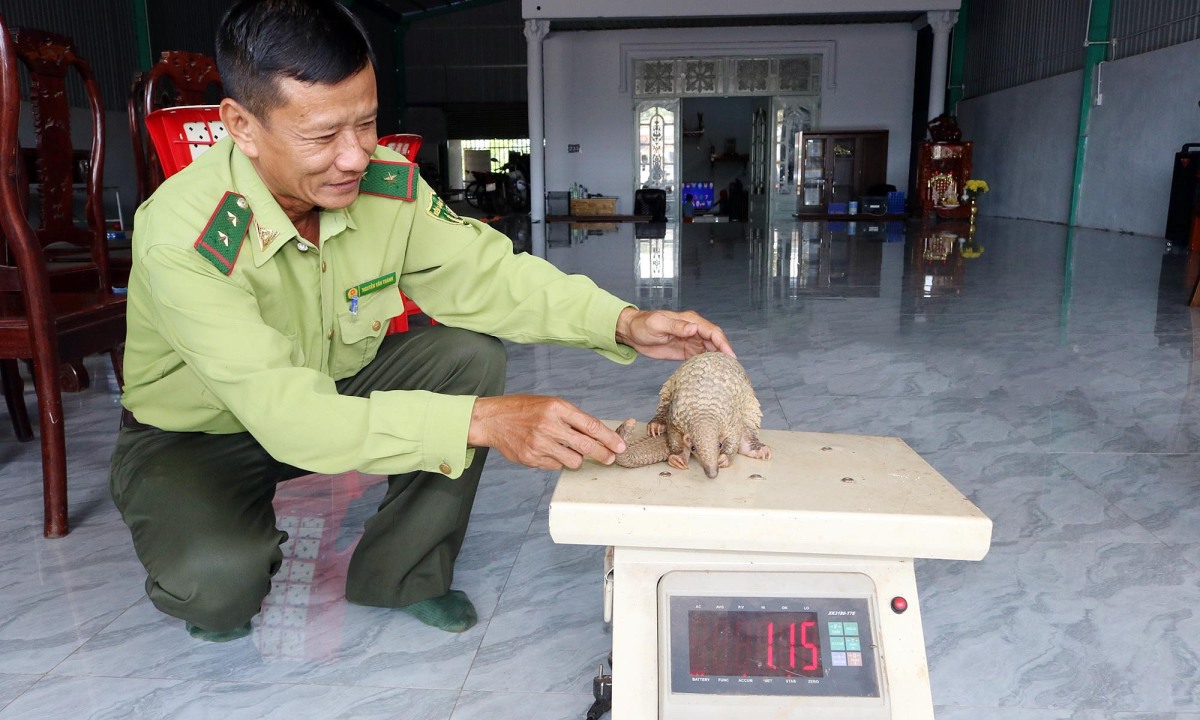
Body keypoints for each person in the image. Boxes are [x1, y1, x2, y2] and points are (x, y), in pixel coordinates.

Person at [109, 0, 735, 643]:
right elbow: (289, 417)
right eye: (323, 136)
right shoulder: (185, 234)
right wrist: (486, 421)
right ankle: (216, 556)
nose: (354, 157)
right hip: (199, 433)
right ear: (240, 125)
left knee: (468, 357)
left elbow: (491, 276)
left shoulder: (384, 186)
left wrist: (623, 321)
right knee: (217, 587)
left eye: (367, 124)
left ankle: (401, 574)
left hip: (332, 387)